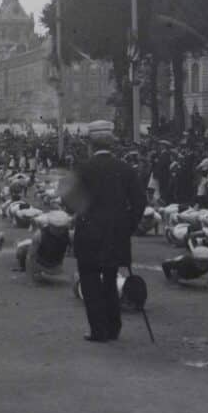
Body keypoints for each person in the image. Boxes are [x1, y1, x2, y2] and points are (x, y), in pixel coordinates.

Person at [67, 120, 144, 342]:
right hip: (115, 235)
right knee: (110, 279)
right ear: (112, 144)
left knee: (90, 282)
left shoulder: (83, 168)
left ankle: (98, 330)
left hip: (89, 234)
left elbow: (70, 202)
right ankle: (113, 327)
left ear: (90, 144)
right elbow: (139, 202)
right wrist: (127, 226)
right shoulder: (126, 169)